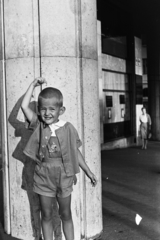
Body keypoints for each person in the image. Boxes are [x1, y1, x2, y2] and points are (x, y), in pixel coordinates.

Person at [21, 77, 97, 240]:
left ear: (60, 110)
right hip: (43, 175)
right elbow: (24, 106)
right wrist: (32, 85)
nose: (47, 113)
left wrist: (88, 172)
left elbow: (75, 152)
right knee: (46, 215)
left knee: (66, 214)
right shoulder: (39, 124)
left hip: (64, 175)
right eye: (43, 109)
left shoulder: (68, 128)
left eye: (51, 109)